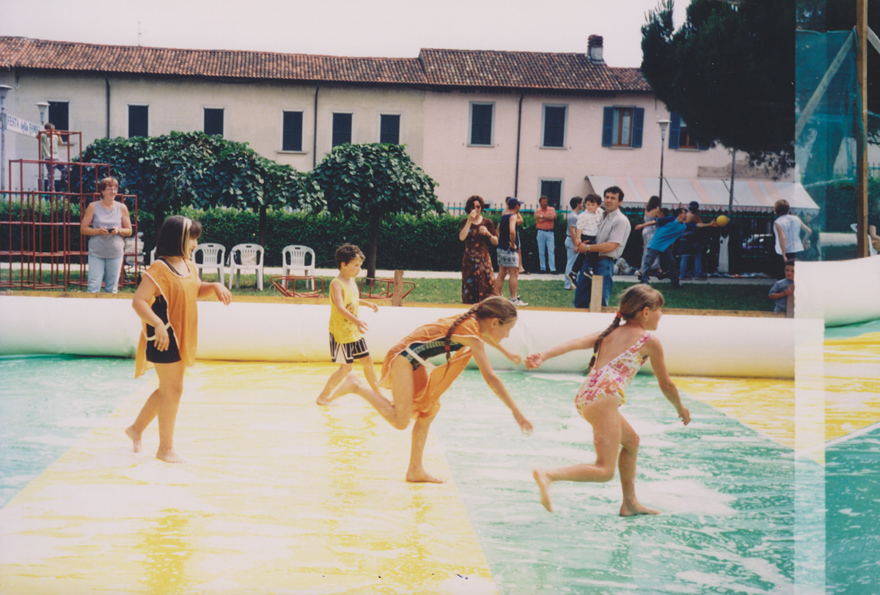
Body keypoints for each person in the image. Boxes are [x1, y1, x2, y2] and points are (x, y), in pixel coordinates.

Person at [322, 296, 534, 482]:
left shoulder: (473, 322)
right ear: (495, 322)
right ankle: (356, 385)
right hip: (403, 359)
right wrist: (517, 412)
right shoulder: (472, 334)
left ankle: (415, 470)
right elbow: (491, 379)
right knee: (400, 421)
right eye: (508, 330)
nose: (507, 335)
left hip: (413, 359)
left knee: (428, 410)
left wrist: (506, 352)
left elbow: (485, 335)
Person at [526, 284, 690, 515]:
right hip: (603, 398)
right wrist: (680, 408)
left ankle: (630, 502)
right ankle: (549, 474)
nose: (661, 315)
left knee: (631, 442)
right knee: (604, 470)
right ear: (645, 312)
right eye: (659, 309)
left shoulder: (609, 333)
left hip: (587, 396)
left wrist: (542, 355)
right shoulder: (648, 341)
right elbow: (667, 385)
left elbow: (574, 342)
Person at [126, 216, 233, 463]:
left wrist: (214, 285)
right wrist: (158, 324)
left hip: (179, 333)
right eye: (192, 238)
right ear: (179, 239)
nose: (196, 243)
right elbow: (139, 301)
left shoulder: (188, 264)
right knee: (173, 390)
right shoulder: (159, 268)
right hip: (163, 337)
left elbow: (195, 290)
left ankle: (135, 430)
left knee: (168, 389)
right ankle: (165, 449)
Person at [316, 244, 381, 405]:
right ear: (344, 265)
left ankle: (378, 395)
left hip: (354, 331)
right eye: (356, 265)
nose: (359, 269)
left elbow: (352, 300)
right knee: (346, 368)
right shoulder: (336, 284)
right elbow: (340, 307)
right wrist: (357, 321)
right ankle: (323, 396)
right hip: (341, 333)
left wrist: (367, 304)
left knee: (368, 361)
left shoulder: (351, 281)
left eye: (360, 265)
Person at [573, 187, 631, 309]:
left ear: (620, 202)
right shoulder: (599, 215)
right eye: (607, 197)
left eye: (613, 198)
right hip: (588, 262)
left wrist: (587, 248)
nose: (609, 200)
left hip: (603, 264)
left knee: (599, 305)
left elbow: (611, 246)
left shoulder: (621, 221)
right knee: (580, 302)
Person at [80, 177, 132, 293]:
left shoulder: (122, 208)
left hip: (115, 253)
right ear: (102, 191)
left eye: (115, 189)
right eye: (109, 189)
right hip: (97, 252)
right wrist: (98, 231)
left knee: (112, 288)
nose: (113, 192)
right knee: (93, 286)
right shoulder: (93, 206)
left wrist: (119, 230)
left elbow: (129, 231)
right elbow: (83, 229)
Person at [459, 195, 500, 303]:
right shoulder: (465, 222)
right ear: (469, 209)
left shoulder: (487, 222)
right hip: (469, 260)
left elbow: (495, 242)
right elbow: (462, 237)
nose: (476, 209)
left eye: (478, 207)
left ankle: (489, 310)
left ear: (481, 208)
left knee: (488, 285)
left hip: (483, 259)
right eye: (473, 207)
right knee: (470, 287)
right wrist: (469, 221)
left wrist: (488, 234)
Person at [496, 197, 528, 306]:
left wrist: (501, 240)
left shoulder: (504, 216)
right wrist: (513, 244)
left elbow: (498, 230)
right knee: (514, 273)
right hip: (509, 249)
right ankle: (513, 298)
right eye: (519, 205)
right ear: (517, 206)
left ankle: (498, 296)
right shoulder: (513, 216)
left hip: (501, 247)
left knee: (501, 273)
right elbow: (512, 231)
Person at [568, 193, 604, 287]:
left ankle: (573, 272)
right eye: (588, 204)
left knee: (583, 255)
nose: (590, 207)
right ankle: (589, 269)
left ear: (598, 205)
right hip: (586, 235)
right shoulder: (583, 215)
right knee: (593, 251)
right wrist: (578, 238)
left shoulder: (598, 212)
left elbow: (601, 210)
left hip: (593, 236)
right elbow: (579, 227)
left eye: (593, 205)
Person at [773, 199, 812, 278]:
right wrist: (804, 241)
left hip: (785, 252)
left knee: (784, 277)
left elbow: (782, 238)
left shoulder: (778, 222)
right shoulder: (796, 219)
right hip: (798, 250)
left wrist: (783, 254)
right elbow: (808, 231)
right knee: (797, 276)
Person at [678, 201, 706, 279]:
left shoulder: (685, 215)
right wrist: (698, 215)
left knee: (685, 256)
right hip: (690, 236)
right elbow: (701, 224)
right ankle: (698, 273)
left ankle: (682, 274)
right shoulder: (693, 216)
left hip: (683, 235)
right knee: (697, 254)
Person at [639, 195, 663, 280]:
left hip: (645, 230)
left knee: (646, 250)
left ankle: (642, 270)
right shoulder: (656, 210)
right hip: (652, 231)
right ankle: (657, 268)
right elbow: (661, 220)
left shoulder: (646, 210)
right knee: (653, 250)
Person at [563, 196, 584, 290]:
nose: (583, 205)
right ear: (577, 204)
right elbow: (572, 231)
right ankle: (568, 285)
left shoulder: (575, 215)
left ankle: (572, 283)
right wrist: (576, 244)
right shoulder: (574, 217)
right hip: (572, 241)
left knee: (573, 263)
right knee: (571, 263)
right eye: (582, 203)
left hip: (572, 241)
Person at [40, 123, 67, 191]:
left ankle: (63, 178)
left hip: (56, 157)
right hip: (48, 157)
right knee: (51, 174)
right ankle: (51, 188)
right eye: (51, 130)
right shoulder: (44, 136)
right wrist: (45, 132)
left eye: (53, 130)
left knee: (66, 167)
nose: (52, 132)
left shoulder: (55, 136)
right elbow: (37, 136)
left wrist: (59, 135)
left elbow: (61, 143)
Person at [535, 195, 557, 274]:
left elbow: (552, 217)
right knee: (541, 251)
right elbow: (538, 218)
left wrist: (542, 217)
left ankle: (552, 269)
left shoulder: (551, 209)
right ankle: (542, 268)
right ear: (540, 203)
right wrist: (547, 217)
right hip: (540, 232)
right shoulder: (537, 211)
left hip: (550, 232)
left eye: (546, 201)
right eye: (543, 202)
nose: (545, 203)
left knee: (551, 251)